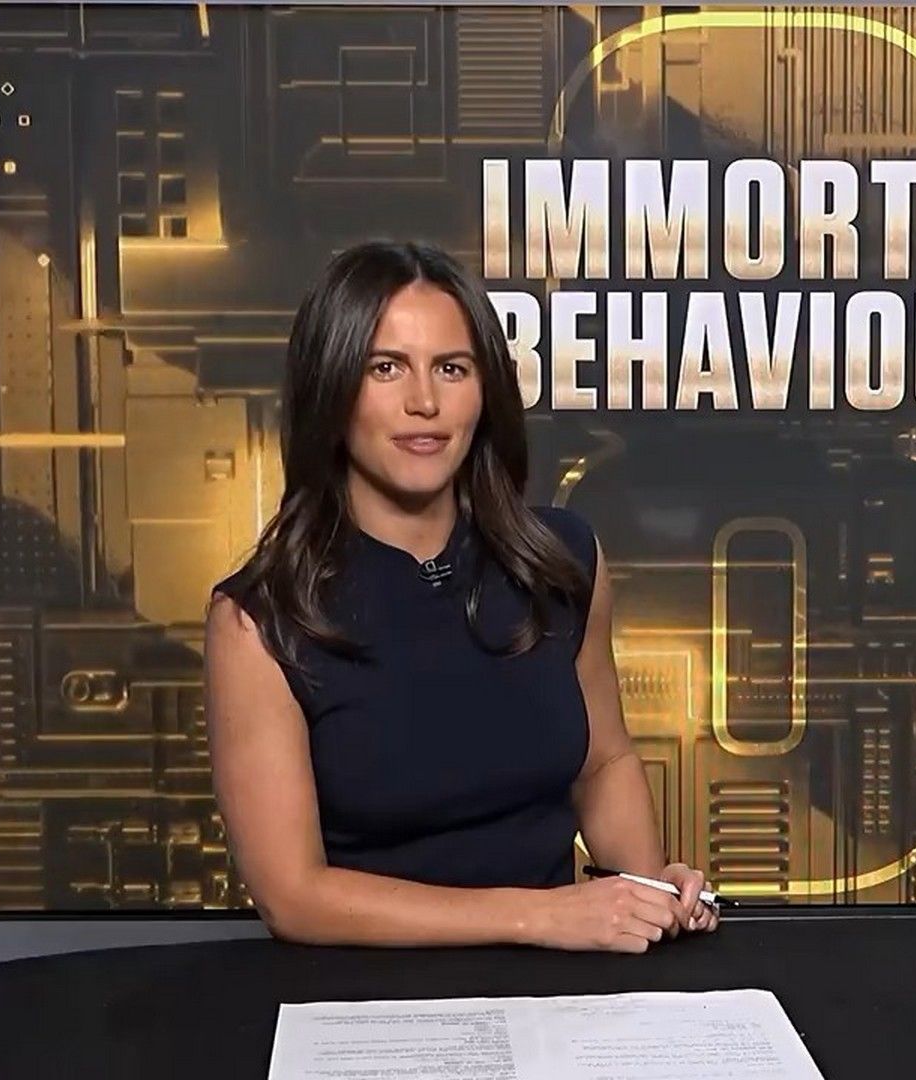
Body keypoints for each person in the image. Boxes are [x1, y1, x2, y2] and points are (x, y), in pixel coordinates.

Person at [205, 240, 718, 950]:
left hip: (563, 986)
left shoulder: (562, 559)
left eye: (451, 368)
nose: (424, 403)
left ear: (485, 391)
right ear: (332, 387)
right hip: (367, 993)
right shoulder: (258, 620)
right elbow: (294, 898)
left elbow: (604, 763)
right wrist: (541, 916)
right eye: (385, 368)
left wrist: (648, 893)